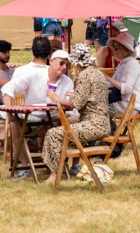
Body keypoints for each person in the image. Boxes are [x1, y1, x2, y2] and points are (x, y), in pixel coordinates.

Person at [0, 48, 74, 179]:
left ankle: (60, 164)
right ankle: (25, 165)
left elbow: (72, 104)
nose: (63, 68)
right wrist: (9, 110)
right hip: (32, 118)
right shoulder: (35, 75)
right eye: (61, 63)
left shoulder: (67, 81)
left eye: (66, 65)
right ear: (51, 61)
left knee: (72, 121)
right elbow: (8, 88)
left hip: (55, 118)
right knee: (14, 125)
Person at [42, 44, 110, 185]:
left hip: (94, 125)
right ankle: (66, 168)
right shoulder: (97, 73)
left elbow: (74, 104)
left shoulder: (84, 76)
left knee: (53, 134)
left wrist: (56, 99)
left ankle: (55, 174)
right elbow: (89, 97)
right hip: (102, 123)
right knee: (64, 130)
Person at [105, 32, 140, 116]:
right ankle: (111, 128)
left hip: (134, 106)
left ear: (125, 50)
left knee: (98, 110)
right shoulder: (123, 64)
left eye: (116, 49)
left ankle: (108, 128)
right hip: (127, 102)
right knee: (98, 108)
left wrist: (108, 78)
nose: (114, 52)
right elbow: (112, 84)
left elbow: (127, 89)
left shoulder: (132, 64)